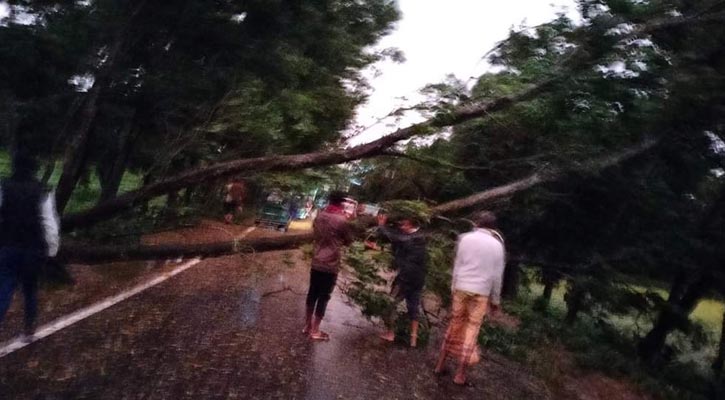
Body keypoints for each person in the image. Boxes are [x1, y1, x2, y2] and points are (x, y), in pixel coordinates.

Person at [435, 211, 505, 385]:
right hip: (481, 292)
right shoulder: (497, 246)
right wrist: (495, 301)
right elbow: (497, 276)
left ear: (477, 223)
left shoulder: (465, 238)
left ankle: (440, 364)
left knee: (455, 323)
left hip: (461, 287)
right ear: (493, 228)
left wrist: (454, 287)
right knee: (472, 328)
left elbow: (457, 264)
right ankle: (460, 374)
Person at [0, 152, 60, 337]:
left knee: (4, 286)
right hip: (33, 247)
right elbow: (49, 222)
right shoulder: (42, 190)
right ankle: (29, 327)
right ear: (34, 169)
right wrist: (52, 249)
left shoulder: (4, 187)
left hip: (8, 244)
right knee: (30, 288)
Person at [365, 213, 427, 348]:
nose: (401, 227)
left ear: (410, 223)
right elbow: (397, 239)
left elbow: (396, 238)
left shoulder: (412, 238)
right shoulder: (420, 236)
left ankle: (390, 333)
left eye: (403, 224)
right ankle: (413, 339)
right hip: (418, 278)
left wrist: (382, 226)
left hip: (406, 278)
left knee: (390, 303)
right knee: (413, 306)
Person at [304, 191, 353, 341]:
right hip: (330, 264)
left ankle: (307, 326)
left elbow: (315, 232)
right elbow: (349, 240)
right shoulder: (342, 220)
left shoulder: (320, 216)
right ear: (341, 203)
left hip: (316, 261)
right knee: (324, 297)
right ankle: (315, 330)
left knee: (312, 294)